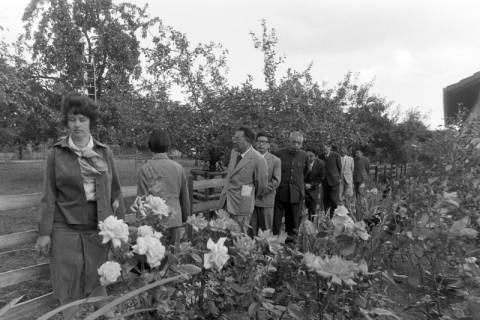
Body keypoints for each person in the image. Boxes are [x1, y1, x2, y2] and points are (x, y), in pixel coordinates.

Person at [34, 93, 125, 320]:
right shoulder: (56, 153)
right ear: (66, 122)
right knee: (67, 281)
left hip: (98, 227)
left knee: (98, 276)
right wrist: (44, 233)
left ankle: (107, 315)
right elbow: (49, 194)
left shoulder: (105, 152)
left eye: (82, 119)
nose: (76, 125)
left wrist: (119, 231)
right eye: (72, 119)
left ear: (91, 122)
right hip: (65, 227)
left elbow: (115, 191)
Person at [136, 129, 191, 249]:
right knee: (174, 260)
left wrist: (141, 224)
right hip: (175, 219)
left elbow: (141, 200)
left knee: (155, 259)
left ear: (150, 146)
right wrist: (186, 218)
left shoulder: (144, 169)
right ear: (168, 146)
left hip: (154, 222)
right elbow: (185, 197)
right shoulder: (178, 168)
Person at [219, 127, 268, 232]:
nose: (234, 140)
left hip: (241, 206)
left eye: (237, 138)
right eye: (234, 137)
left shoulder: (258, 159)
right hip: (225, 201)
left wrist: (248, 196)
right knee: (222, 235)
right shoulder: (234, 152)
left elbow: (262, 186)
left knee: (238, 237)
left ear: (248, 141)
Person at [272, 132, 309, 237]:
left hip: (296, 194)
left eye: (299, 143)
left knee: (293, 222)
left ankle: (291, 245)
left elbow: (305, 172)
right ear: (288, 142)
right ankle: (274, 243)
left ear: (302, 144)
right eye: (294, 142)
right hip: (279, 193)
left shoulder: (304, 156)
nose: (296, 145)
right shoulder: (279, 154)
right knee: (276, 221)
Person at [251, 132, 281, 234]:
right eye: (259, 142)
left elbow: (275, 181)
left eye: (264, 142)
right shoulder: (249, 158)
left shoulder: (275, 160)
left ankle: (265, 250)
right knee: (251, 230)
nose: (261, 144)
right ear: (255, 144)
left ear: (268, 145)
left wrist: (259, 191)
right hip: (250, 201)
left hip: (266, 200)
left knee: (266, 232)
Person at [304, 148, 325, 221]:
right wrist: (304, 184)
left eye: (311, 156)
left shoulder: (321, 164)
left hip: (313, 188)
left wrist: (311, 185)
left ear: (316, 156)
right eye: (307, 156)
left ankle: (311, 225)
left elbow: (320, 178)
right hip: (302, 187)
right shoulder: (302, 162)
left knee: (312, 209)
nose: (309, 158)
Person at [323, 142, 342, 218]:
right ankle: (326, 216)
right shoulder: (321, 156)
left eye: (327, 147)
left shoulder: (335, 155)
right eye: (324, 148)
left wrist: (338, 178)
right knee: (325, 200)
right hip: (325, 181)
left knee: (334, 200)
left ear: (330, 148)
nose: (325, 149)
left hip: (334, 180)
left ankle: (333, 215)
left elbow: (339, 168)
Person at [353, 149, 370, 219]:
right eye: (356, 153)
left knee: (361, 193)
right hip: (356, 178)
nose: (357, 155)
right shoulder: (354, 160)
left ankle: (364, 208)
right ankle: (358, 207)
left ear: (361, 154)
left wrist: (365, 177)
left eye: (358, 153)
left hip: (363, 178)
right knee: (357, 193)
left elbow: (367, 168)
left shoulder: (366, 159)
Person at [340, 146, 354, 212]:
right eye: (341, 151)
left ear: (346, 151)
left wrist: (351, 179)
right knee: (340, 194)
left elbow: (352, 170)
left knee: (348, 194)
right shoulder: (338, 158)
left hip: (348, 178)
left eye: (343, 151)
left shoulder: (351, 159)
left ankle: (348, 208)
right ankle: (341, 208)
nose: (342, 152)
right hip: (341, 178)